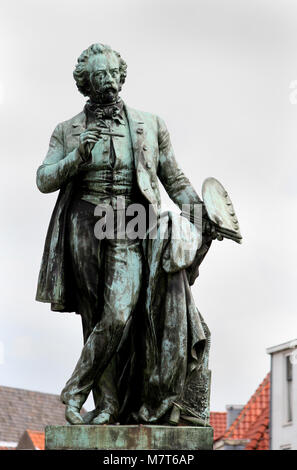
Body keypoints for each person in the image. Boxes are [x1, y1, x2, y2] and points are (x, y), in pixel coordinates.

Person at [36, 43, 218, 425]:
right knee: (95, 316)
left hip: (130, 220)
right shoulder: (67, 130)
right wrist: (75, 159)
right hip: (85, 222)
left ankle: (74, 390)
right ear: (85, 84)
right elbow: (43, 179)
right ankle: (107, 406)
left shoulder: (150, 124)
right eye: (97, 76)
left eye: (111, 73)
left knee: (119, 312)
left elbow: (175, 180)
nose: (106, 81)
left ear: (121, 76)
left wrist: (202, 216)